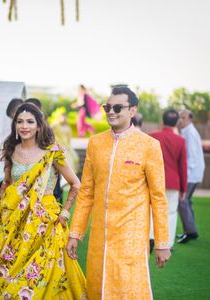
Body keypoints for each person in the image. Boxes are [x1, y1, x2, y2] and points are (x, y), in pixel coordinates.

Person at [0, 102, 87, 299]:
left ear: (39, 125)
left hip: (44, 223)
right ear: (14, 125)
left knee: (43, 275)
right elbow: (6, 185)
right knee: (6, 271)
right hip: (13, 222)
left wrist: (64, 213)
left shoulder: (52, 152)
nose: (24, 126)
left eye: (30, 122)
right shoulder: (11, 150)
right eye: (20, 122)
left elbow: (76, 184)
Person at [66, 86, 170, 299]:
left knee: (127, 288)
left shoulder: (149, 146)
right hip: (99, 235)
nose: (111, 112)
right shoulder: (96, 143)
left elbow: (158, 198)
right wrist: (75, 233)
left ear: (133, 110)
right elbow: (86, 192)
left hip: (130, 236)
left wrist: (161, 243)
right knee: (97, 286)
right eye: (107, 107)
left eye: (117, 107)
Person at [150, 109, 188, 250]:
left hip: (153, 180)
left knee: (152, 209)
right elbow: (182, 167)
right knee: (171, 212)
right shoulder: (180, 141)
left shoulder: (152, 136)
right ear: (177, 122)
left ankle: (151, 237)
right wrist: (184, 188)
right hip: (173, 182)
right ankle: (168, 243)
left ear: (162, 120)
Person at [176, 109, 205, 244]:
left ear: (190, 119)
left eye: (183, 118)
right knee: (186, 201)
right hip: (193, 173)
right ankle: (190, 230)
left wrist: (184, 175)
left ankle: (190, 232)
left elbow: (192, 157)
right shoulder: (186, 131)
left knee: (182, 201)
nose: (180, 120)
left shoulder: (190, 133)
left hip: (191, 174)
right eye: (180, 117)